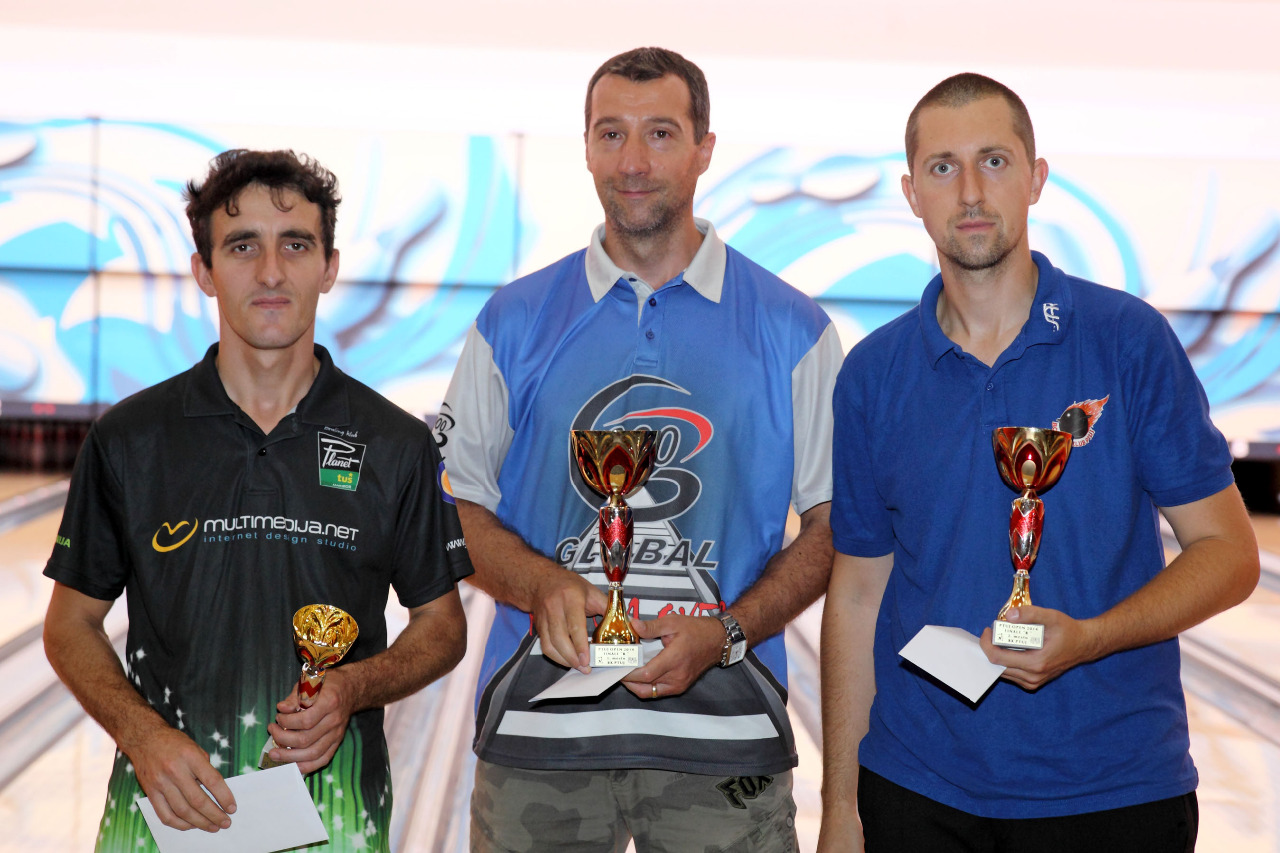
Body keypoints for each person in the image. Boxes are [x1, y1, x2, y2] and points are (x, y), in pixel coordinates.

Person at [818, 73, 1261, 852]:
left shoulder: (1127, 340)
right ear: (912, 193)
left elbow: (1229, 553)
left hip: (1115, 789)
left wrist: (1090, 636)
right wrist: (838, 807)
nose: (970, 192)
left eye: (993, 161)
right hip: (918, 786)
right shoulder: (874, 373)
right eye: (943, 167)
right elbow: (856, 593)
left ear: (1035, 178)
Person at [434, 46, 841, 852]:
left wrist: (728, 631)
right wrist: (541, 582)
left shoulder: (793, 328)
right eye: (611, 134)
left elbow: (834, 527)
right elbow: (455, 509)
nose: (633, 161)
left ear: (704, 149)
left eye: (660, 133)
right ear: (586, 148)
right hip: (538, 736)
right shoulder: (512, 320)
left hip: (723, 739)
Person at [42, 149, 472, 853]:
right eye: (243, 246)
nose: (271, 272)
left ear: (329, 267)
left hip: (335, 824)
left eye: (295, 245)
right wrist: (142, 735)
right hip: (159, 822)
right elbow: (69, 624)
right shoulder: (129, 438)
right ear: (204, 270)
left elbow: (442, 625)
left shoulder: (395, 443)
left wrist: (354, 686)